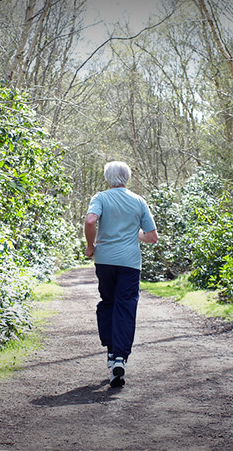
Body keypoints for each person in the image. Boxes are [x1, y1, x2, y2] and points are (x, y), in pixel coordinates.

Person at [84, 161, 157, 388]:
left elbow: (90, 220)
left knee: (107, 303)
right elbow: (152, 236)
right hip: (130, 263)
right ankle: (119, 358)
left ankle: (110, 351)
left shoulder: (101, 198)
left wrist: (89, 246)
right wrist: (135, 235)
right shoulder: (138, 201)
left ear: (108, 178)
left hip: (105, 261)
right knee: (125, 306)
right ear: (127, 178)